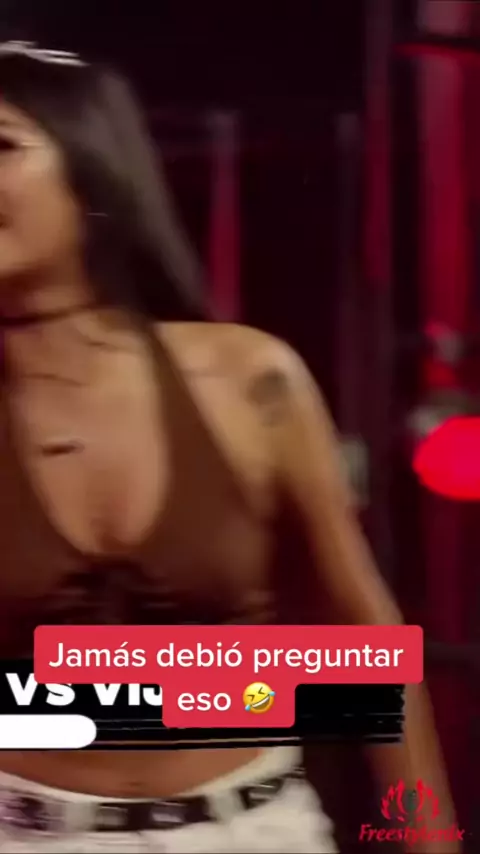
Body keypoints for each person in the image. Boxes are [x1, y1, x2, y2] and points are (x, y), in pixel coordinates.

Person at [0, 41, 459, 854]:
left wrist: (426, 839)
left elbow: (361, 643)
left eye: (2, 147)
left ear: (91, 166)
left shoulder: (247, 379)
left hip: (253, 829)